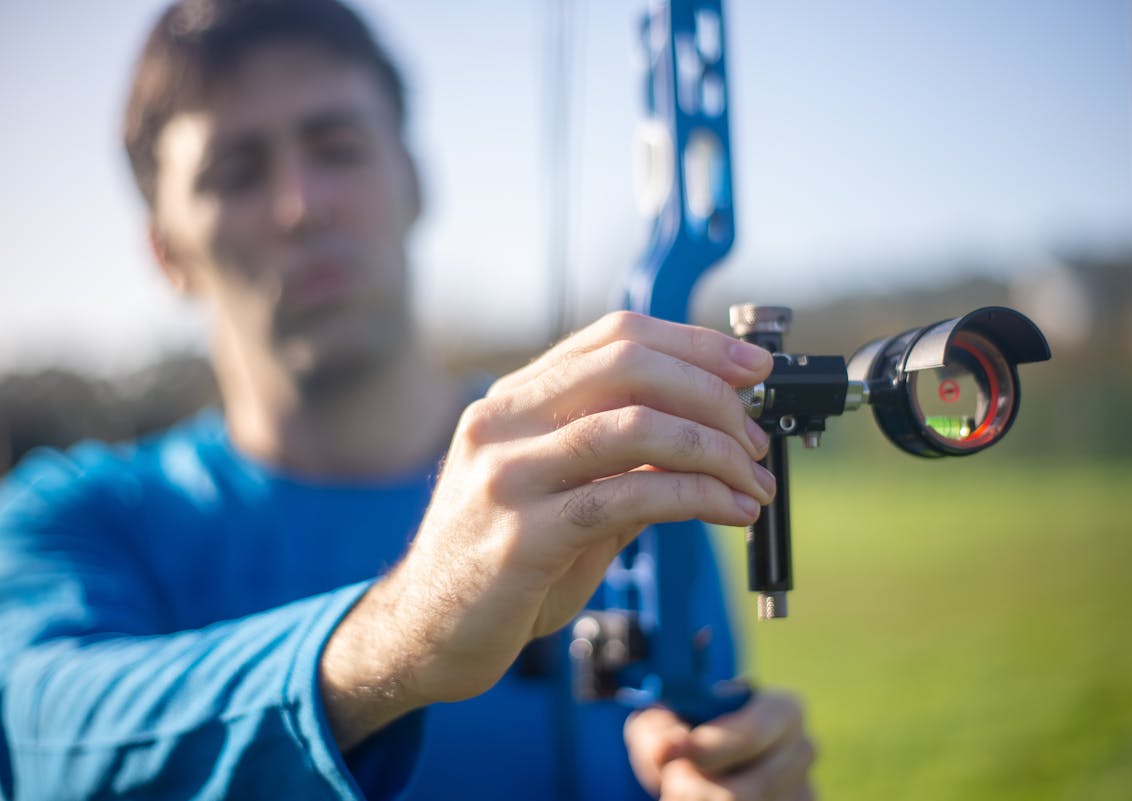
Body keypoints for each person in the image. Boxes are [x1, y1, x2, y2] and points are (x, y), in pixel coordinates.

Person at [0, 1, 816, 798]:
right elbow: (43, 738)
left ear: (415, 177)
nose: (302, 204)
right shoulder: (73, 516)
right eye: (236, 172)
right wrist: (399, 636)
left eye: (338, 146)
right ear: (165, 249)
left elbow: (682, 742)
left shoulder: (611, 459)